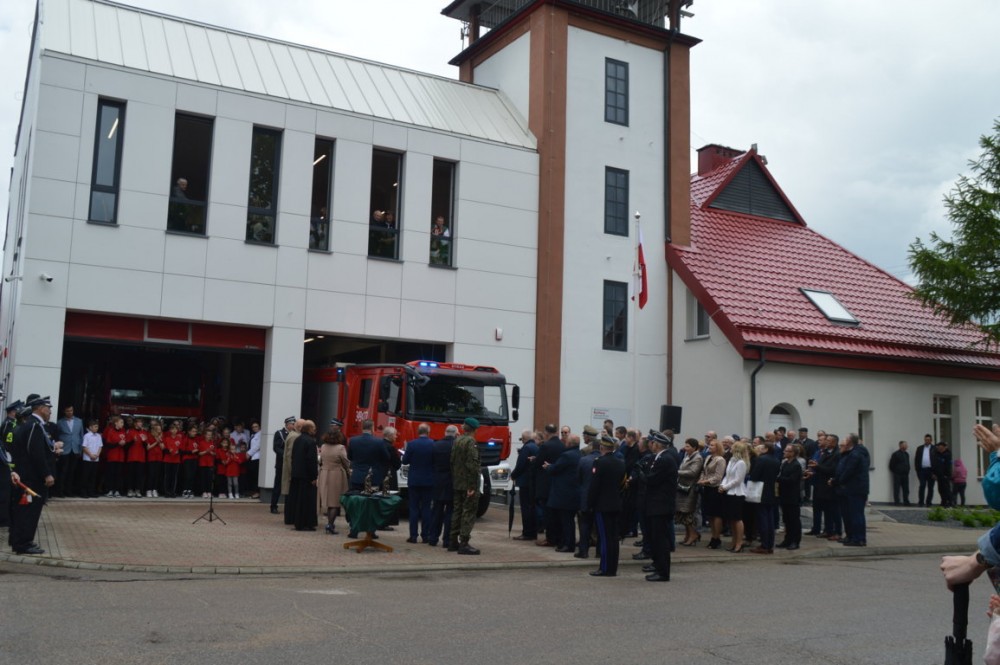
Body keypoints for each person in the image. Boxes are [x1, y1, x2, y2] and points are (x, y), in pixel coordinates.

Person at [9, 395, 56, 554]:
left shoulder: (32, 425)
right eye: (48, 408)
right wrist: (46, 474)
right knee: (29, 510)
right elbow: (36, 453)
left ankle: (19, 540)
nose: (50, 411)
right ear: (41, 409)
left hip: (28, 476)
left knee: (24, 510)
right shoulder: (34, 426)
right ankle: (23, 543)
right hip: (32, 478)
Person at [641, 429, 678, 582]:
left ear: (658, 444)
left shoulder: (665, 459)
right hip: (656, 504)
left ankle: (663, 572)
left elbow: (652, 479)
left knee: (661, 540)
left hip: (661, 505)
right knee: (656, 538)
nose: (652, 444)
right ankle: (658, 566)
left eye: (654, 442)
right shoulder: (660, 457)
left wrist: (643, 474)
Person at [587, 435, 625, 577]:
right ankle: (612, 568)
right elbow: (622, 484)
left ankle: (605, 568)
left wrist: (589, 503)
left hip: (602, 505)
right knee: (613, 538)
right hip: (616, 503)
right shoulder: (620, 462)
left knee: (604, 538)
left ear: (602, 447)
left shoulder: (599, 462)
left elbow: (594, 486)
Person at [347, 419, 390, 539]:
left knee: (356, 504)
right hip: (373, 477)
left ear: (362, 427)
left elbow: (350, 456)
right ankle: (371, 531)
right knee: (372, 505)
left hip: (357, 476)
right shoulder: (379, 442)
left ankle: (354, 529)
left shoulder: (353, 441)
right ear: (372, 428)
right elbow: (386, 457)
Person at [545, 432, 582, 554]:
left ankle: (568, 544)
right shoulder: (580, 454)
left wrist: (548, 467)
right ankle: (567, 543)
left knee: (566, 521)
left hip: (564, 494)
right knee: (569, 520)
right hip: (574, 493)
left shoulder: (566, 455)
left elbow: (556, 469)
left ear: (569, 443)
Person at [449, 418, 481, 555]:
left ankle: (452, 541)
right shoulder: (471, 442)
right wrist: (472, 486)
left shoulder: (457, 440)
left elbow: (452, 461)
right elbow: (472, 465)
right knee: (468, 513)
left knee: (457, 511)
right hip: (468, 484)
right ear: (475, 429)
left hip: (457, 482)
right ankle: (464, 543)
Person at [832, 433, 870, 547]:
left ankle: (858, 539)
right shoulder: (850, 453)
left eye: (844, 440)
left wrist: (837, 481)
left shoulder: (856, 454)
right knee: (849, 514)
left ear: (849, 442)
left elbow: (849, 471)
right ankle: (852, 536)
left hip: (855, 489)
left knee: (856, 515)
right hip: (850, 489)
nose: (842, 443)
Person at [401, 423, 435, 544]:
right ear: (428, 432)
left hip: (414, 480)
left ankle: (413, 536)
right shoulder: (433, 444)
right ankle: (425, 535)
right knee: (426, 508)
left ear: (418, 432)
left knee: (414, 508)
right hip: (429, 480)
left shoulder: (411, 444)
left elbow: (405, 461)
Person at [533, 423, 564, 547]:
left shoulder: (546, 446)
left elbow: (538, 463)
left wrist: (534, 460)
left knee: (547, 512)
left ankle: (550, 538)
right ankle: (558, 537)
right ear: (556, 432)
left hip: (545, 482)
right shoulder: (562, 445)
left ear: (546, 432)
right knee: (556, 513)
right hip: (557, 482)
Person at [318, 419, 350, 535]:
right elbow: (346, 462)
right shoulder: (340, 448)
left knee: (328, 500)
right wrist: (348, 470)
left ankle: (330, 524)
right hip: (336, 475)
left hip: (324, 474)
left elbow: (320, 460)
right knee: (335, 502)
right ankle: (330, 525)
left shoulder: (323, 446)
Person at [749, 439, 780, 554]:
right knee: (770, 519)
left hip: (760, 491)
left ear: (766, 449)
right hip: (771, 492)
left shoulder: (761, 459)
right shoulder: (776, 460)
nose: (760, 450)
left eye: (762, 448)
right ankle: (769, 544)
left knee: (762, 519)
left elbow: (754, 476)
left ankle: (764, 545)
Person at [287, 420, 319, 531]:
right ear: (309, 429)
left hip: (297, 474)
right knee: (307, 501)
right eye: (313, 428)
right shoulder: (311, 442)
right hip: (306, 476)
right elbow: (311, 461)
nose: (315, 430)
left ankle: (298, 522)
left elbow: (293, 457)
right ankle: (307, 523)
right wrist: (314, 476)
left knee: (298, 500)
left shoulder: (298, 440)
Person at [719, 440, 750, 553]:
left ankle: (739, 543)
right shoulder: (732, 460)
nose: (730, 448)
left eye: (733, 447)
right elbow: (727, 476)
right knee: (731, 518)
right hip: (729, 492)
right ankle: (734, 541)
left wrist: (725, 487)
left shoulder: (741, 463)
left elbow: (738, 480)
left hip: (737, 493)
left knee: (737, 518)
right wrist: (722, 485)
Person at [429, 425, 457, 547]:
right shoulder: (456, 446)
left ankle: (433, 538)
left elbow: (431, 462)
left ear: (445, 433)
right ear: (456, 434)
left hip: (438, 481)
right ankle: (447, 540)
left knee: (436, 511)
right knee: (450, 512)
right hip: (452, 482)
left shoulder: (436, 445)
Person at [697, 438, 726, 549]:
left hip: (715, 489)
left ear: (718, 447)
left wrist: (705, 481)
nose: (709, 447)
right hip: (707, 489)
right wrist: (701, 479)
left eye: (712, 445)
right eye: (709, 445)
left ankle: (716, 538)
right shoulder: (708, 457)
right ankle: (713, 536)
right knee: (710, 514)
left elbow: (718, 477)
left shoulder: (720, 460)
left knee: (716, 514)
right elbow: (704, 471)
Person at [675, 438, 705, 547]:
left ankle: (693, 535)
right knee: (683, 513)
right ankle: (688, 535)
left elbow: (693, 472)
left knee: (689, 513)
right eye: (685, 445)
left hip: (690, 489)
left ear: (694, 447)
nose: (685, 448)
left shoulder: (697, 458)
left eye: (688, 446)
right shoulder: (687, 456)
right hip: (683, 488)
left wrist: (677, 472)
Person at [510, 429, 538, 541]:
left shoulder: (526, 448)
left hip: (525, 482)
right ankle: (533, 532)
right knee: (532, 507)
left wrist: (513, 475)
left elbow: (521, 465)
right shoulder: (536, 447)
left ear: (524, 438)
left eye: (522, 438)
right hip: (533, 481)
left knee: (525, 508)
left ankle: (527, 532)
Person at [776, 443, 803, 549]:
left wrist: (778, 479)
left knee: (794, 520)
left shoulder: (796, 465)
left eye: (787, 451)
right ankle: (787, 540)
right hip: (784, 495)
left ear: (792, 453)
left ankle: (795, 541)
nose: (784, 452)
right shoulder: (785, 463)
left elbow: (792, 480)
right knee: (786, 519)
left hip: (792, 496)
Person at [55, 405, 84, 497]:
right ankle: (60, 491)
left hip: (75, 449)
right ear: (64, 411)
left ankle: (69, 491)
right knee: (63, 471)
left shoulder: (79, 421)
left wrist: (80, 450)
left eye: (71, 410)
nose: (70, 412)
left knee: (72, 471)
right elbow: (57, 435)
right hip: (64, 449)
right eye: (67, 411)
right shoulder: (60, 422)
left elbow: (81, 436)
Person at [270, 416, 295, 514]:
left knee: (290, 486)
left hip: (291, 464)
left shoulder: (295, 434)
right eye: (292, 424)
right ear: (287, 424)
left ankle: (289, 506)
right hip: (281, 464)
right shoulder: (280, 433)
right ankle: (273, 506)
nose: (293, 425)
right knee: (278, 486)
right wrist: (286, 455)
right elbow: (276, 448)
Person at [80, 419, 103, 498]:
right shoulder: (87, 436)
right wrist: (90, 455)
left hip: (96, 458)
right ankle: (83, 492)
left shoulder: (99, 436)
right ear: (90, 427)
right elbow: (84, 447)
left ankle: (91, 492)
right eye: (95, 427)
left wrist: (97, 455)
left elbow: (100, 446)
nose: (97, 428)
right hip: (87, 459)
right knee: (85, 476)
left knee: (93, 476)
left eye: (97, 427)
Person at [913, 433, 936, 507]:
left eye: (928, 440)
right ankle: (921, 502)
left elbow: (936, 461)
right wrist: (917, 470)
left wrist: (935, 472)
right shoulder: (920, 448)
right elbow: (916, 459)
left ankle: (928, 502)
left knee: (930, 487)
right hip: (922, 470)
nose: (927, 441)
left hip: (931, 470)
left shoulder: (934, 448)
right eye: (926, 440)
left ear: (931, 440)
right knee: (922, 485)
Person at [888, 440, 911, 506]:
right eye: (904, 445)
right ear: (900, 446)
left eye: (906, 445)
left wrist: (908, 470)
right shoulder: (896, 454)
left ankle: (906, 501)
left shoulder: (907, 454)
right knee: (897, 488)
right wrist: (896, 471)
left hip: (905, 474)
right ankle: (897, 502)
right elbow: (891, 465)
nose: (906, 446)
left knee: (906, 489)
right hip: (898, 474)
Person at [931, 441, 953, 508]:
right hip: (939, 475)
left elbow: (947, 466)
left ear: (944, 447)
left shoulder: (947, 455)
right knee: (940, 489)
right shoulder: (936, 454)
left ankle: (950, 502)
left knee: (946, 489)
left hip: (945, 475)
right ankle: (943, 501)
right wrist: (934, 473)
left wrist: (947, 474)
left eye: (940, 448)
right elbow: (934, 464)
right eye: (938, 447)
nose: (939, 449)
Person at [247, 421, 262, 499]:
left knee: (256, 476)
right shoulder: (253, 435)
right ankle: (253, 491)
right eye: (253, 427)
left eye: (256, 426)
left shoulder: (261, 434)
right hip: (252, 457)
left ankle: (257, 492)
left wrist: (249, 453)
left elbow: (257, 446)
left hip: (257, 457)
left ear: (259, 427)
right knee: (252, 476)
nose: (254, 428)